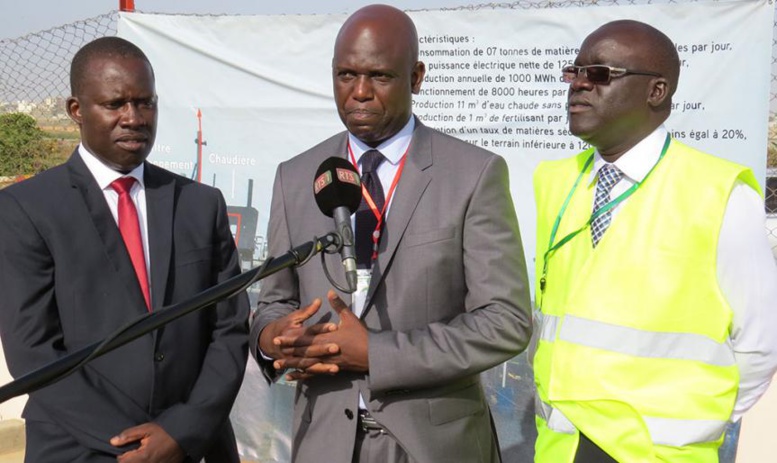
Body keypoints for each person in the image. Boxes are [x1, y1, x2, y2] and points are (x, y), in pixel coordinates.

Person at [249, 4, 532, 463]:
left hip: (433, 446)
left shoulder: (473, 174)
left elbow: (504, 321)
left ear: (416, 77)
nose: (359, 92)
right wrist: (274, 337)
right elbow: (273, 304)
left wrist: (378, 354)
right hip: (323, 442)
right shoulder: (296, 175)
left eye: (379, 76)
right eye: (345, 75)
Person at [532, 20, 777, 463]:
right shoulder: (556, 182)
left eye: (600, 74)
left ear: (656, 91)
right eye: (575, 71)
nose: (579, 85)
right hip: (559, 447)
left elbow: (760, 345)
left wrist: (693, 422)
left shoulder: (720, 195)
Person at [0, 37, 249, 462]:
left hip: (189, 446)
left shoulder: (199, 204)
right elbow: (33, 351)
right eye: (115, 104)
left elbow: (230, 329)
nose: (133, 118)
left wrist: (179, 431)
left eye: (144, 103)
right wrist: (133, 443)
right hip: (78, 447)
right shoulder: (27, 209)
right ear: (76, 111)